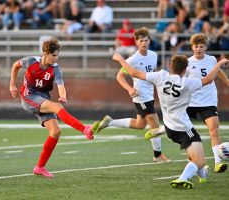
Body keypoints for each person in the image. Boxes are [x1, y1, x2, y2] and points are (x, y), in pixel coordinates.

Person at [112, 52, 228, 189]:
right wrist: (219, 63)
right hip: (183, 128)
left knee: (195, 156)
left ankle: (203, 177)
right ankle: (182, 179)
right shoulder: (187, 83)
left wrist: (120, 59)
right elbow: (208, 79)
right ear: (185, 70)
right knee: (200, 160)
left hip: (169, 126)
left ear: (170, 66)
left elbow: (134, 72)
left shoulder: (160, 76)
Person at [9, 37, 98, 178]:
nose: (56, 58)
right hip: (28, 96)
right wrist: (12, 85)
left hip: (42, 98)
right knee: (57, 107)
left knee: (55, 132)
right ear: (45, 53)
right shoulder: (31, 61)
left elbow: (61, 86)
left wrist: (63, 96)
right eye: (54, 55)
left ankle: (39, 167)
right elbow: (15, 65)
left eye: (57, 55)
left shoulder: (55, 69)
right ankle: (84, 129)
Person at [96, 27, 170, 163]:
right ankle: (157, 155)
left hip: (149, 94)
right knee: (154, 123)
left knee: (140, 124)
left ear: (149, 41)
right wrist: (129, 89)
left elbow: (152, 73)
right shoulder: (132, 60)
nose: (143, 43)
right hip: (140, 95)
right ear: (136, 42)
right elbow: (120, 76)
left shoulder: (154, 55)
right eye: (141, 40)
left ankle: (110, 122)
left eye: (146, 40)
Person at [185, 33, 229, 173]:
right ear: (192, 47)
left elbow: (218, 71)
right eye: (196, 46)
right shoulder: (187, 63)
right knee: (186, 133)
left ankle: (217, 162)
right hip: (191, 102)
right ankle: (193, 162)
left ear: (206, 47)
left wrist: (228, 82)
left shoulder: (211, 60)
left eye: (201, 46)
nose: (198, 49)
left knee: (214, 130)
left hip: (208, 101)